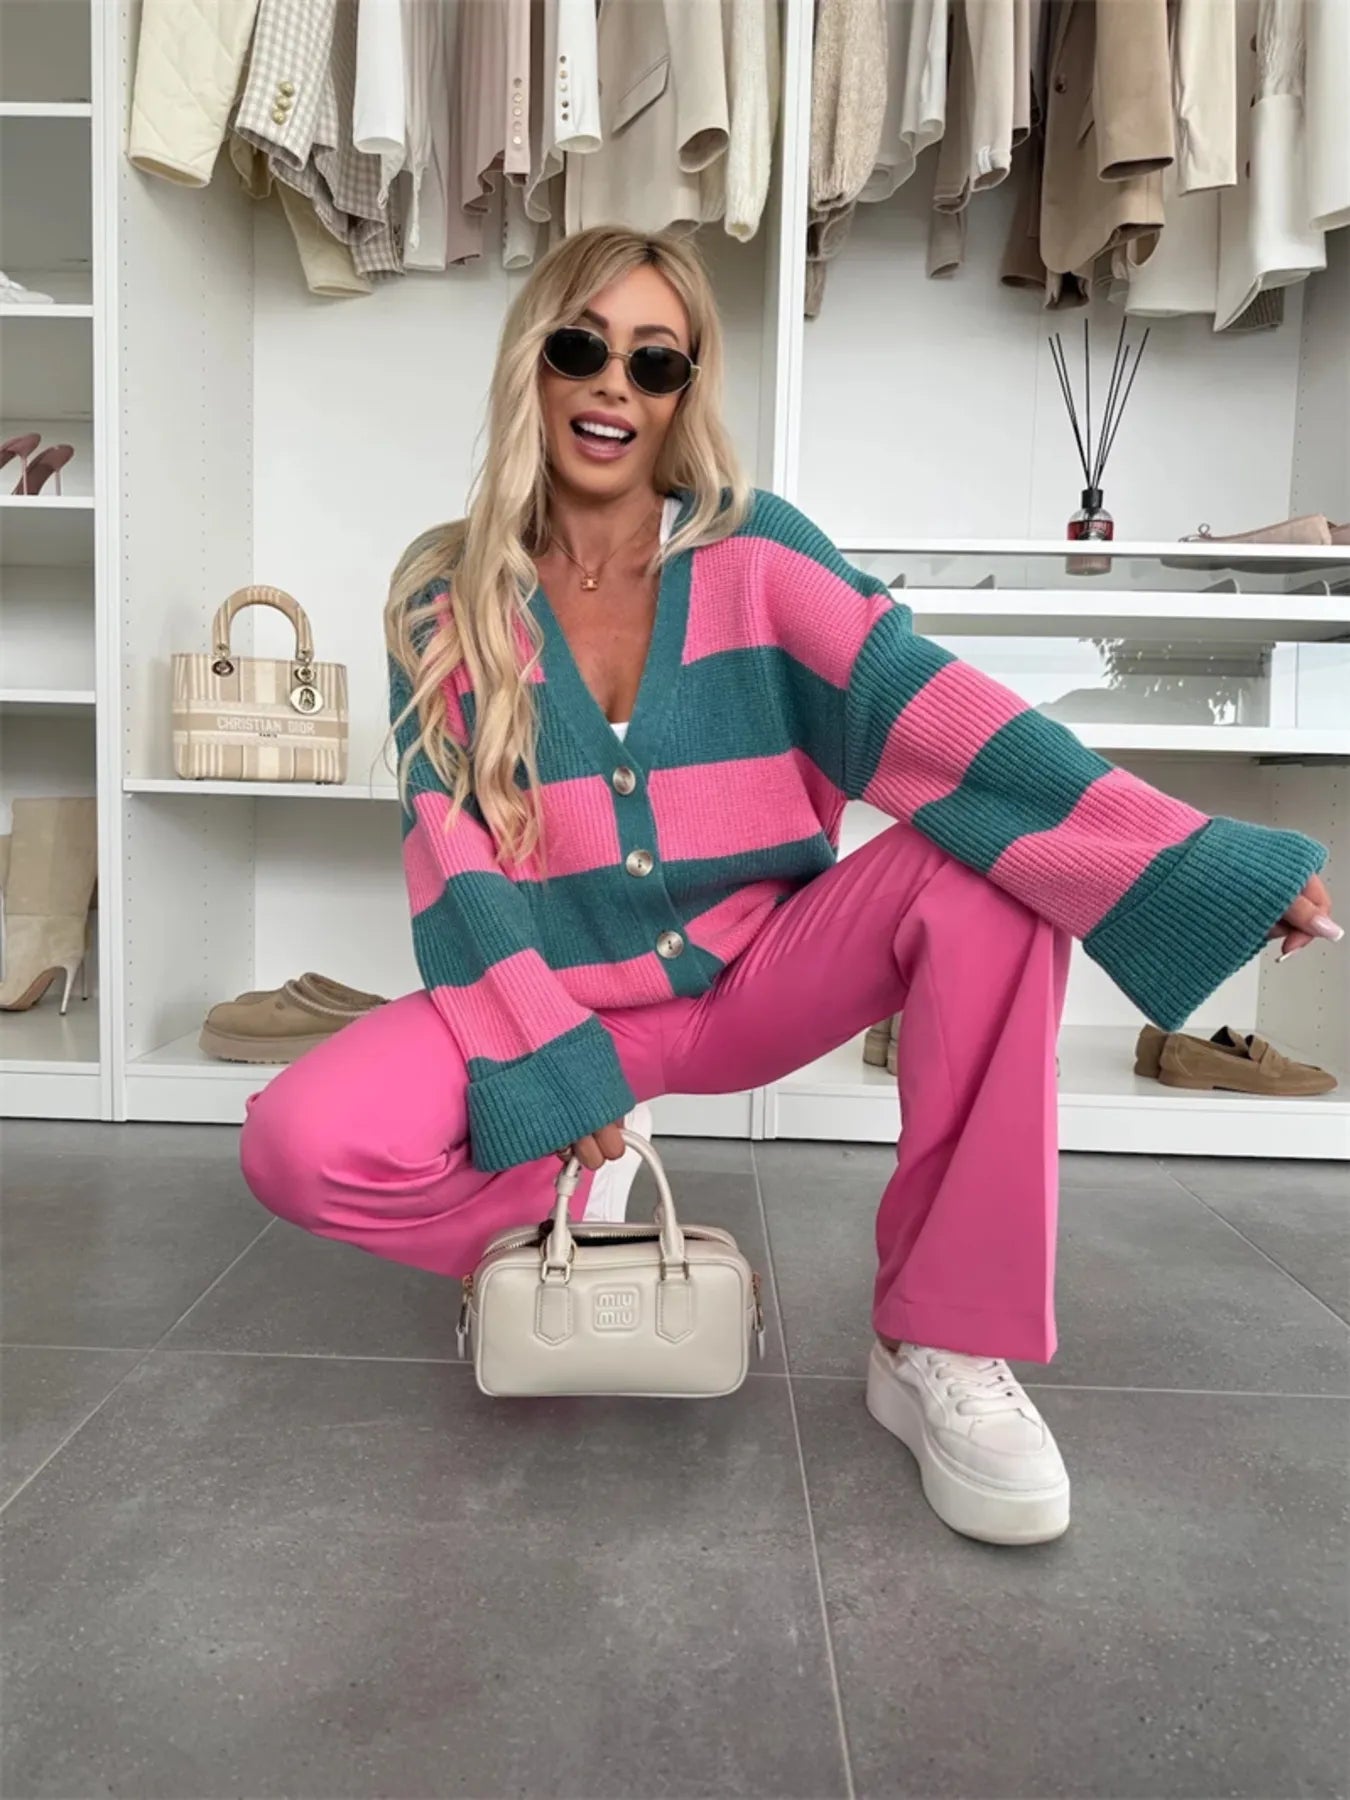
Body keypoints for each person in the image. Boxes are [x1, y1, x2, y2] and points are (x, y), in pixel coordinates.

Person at [241, 226, 1340, 1547]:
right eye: (581, 348)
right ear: (529, 362)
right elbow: (449, 848)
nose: (612, 390)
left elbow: (955, 729)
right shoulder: (443, 585)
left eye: (654, 364)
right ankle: (562, 1193)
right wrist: (554, 1068)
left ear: (684, 389)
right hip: (559, 995)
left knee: (989, 876)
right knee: (295, 1144)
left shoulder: (758, 552)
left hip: (762, 971)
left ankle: (936, 1341)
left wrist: (1192, 859)